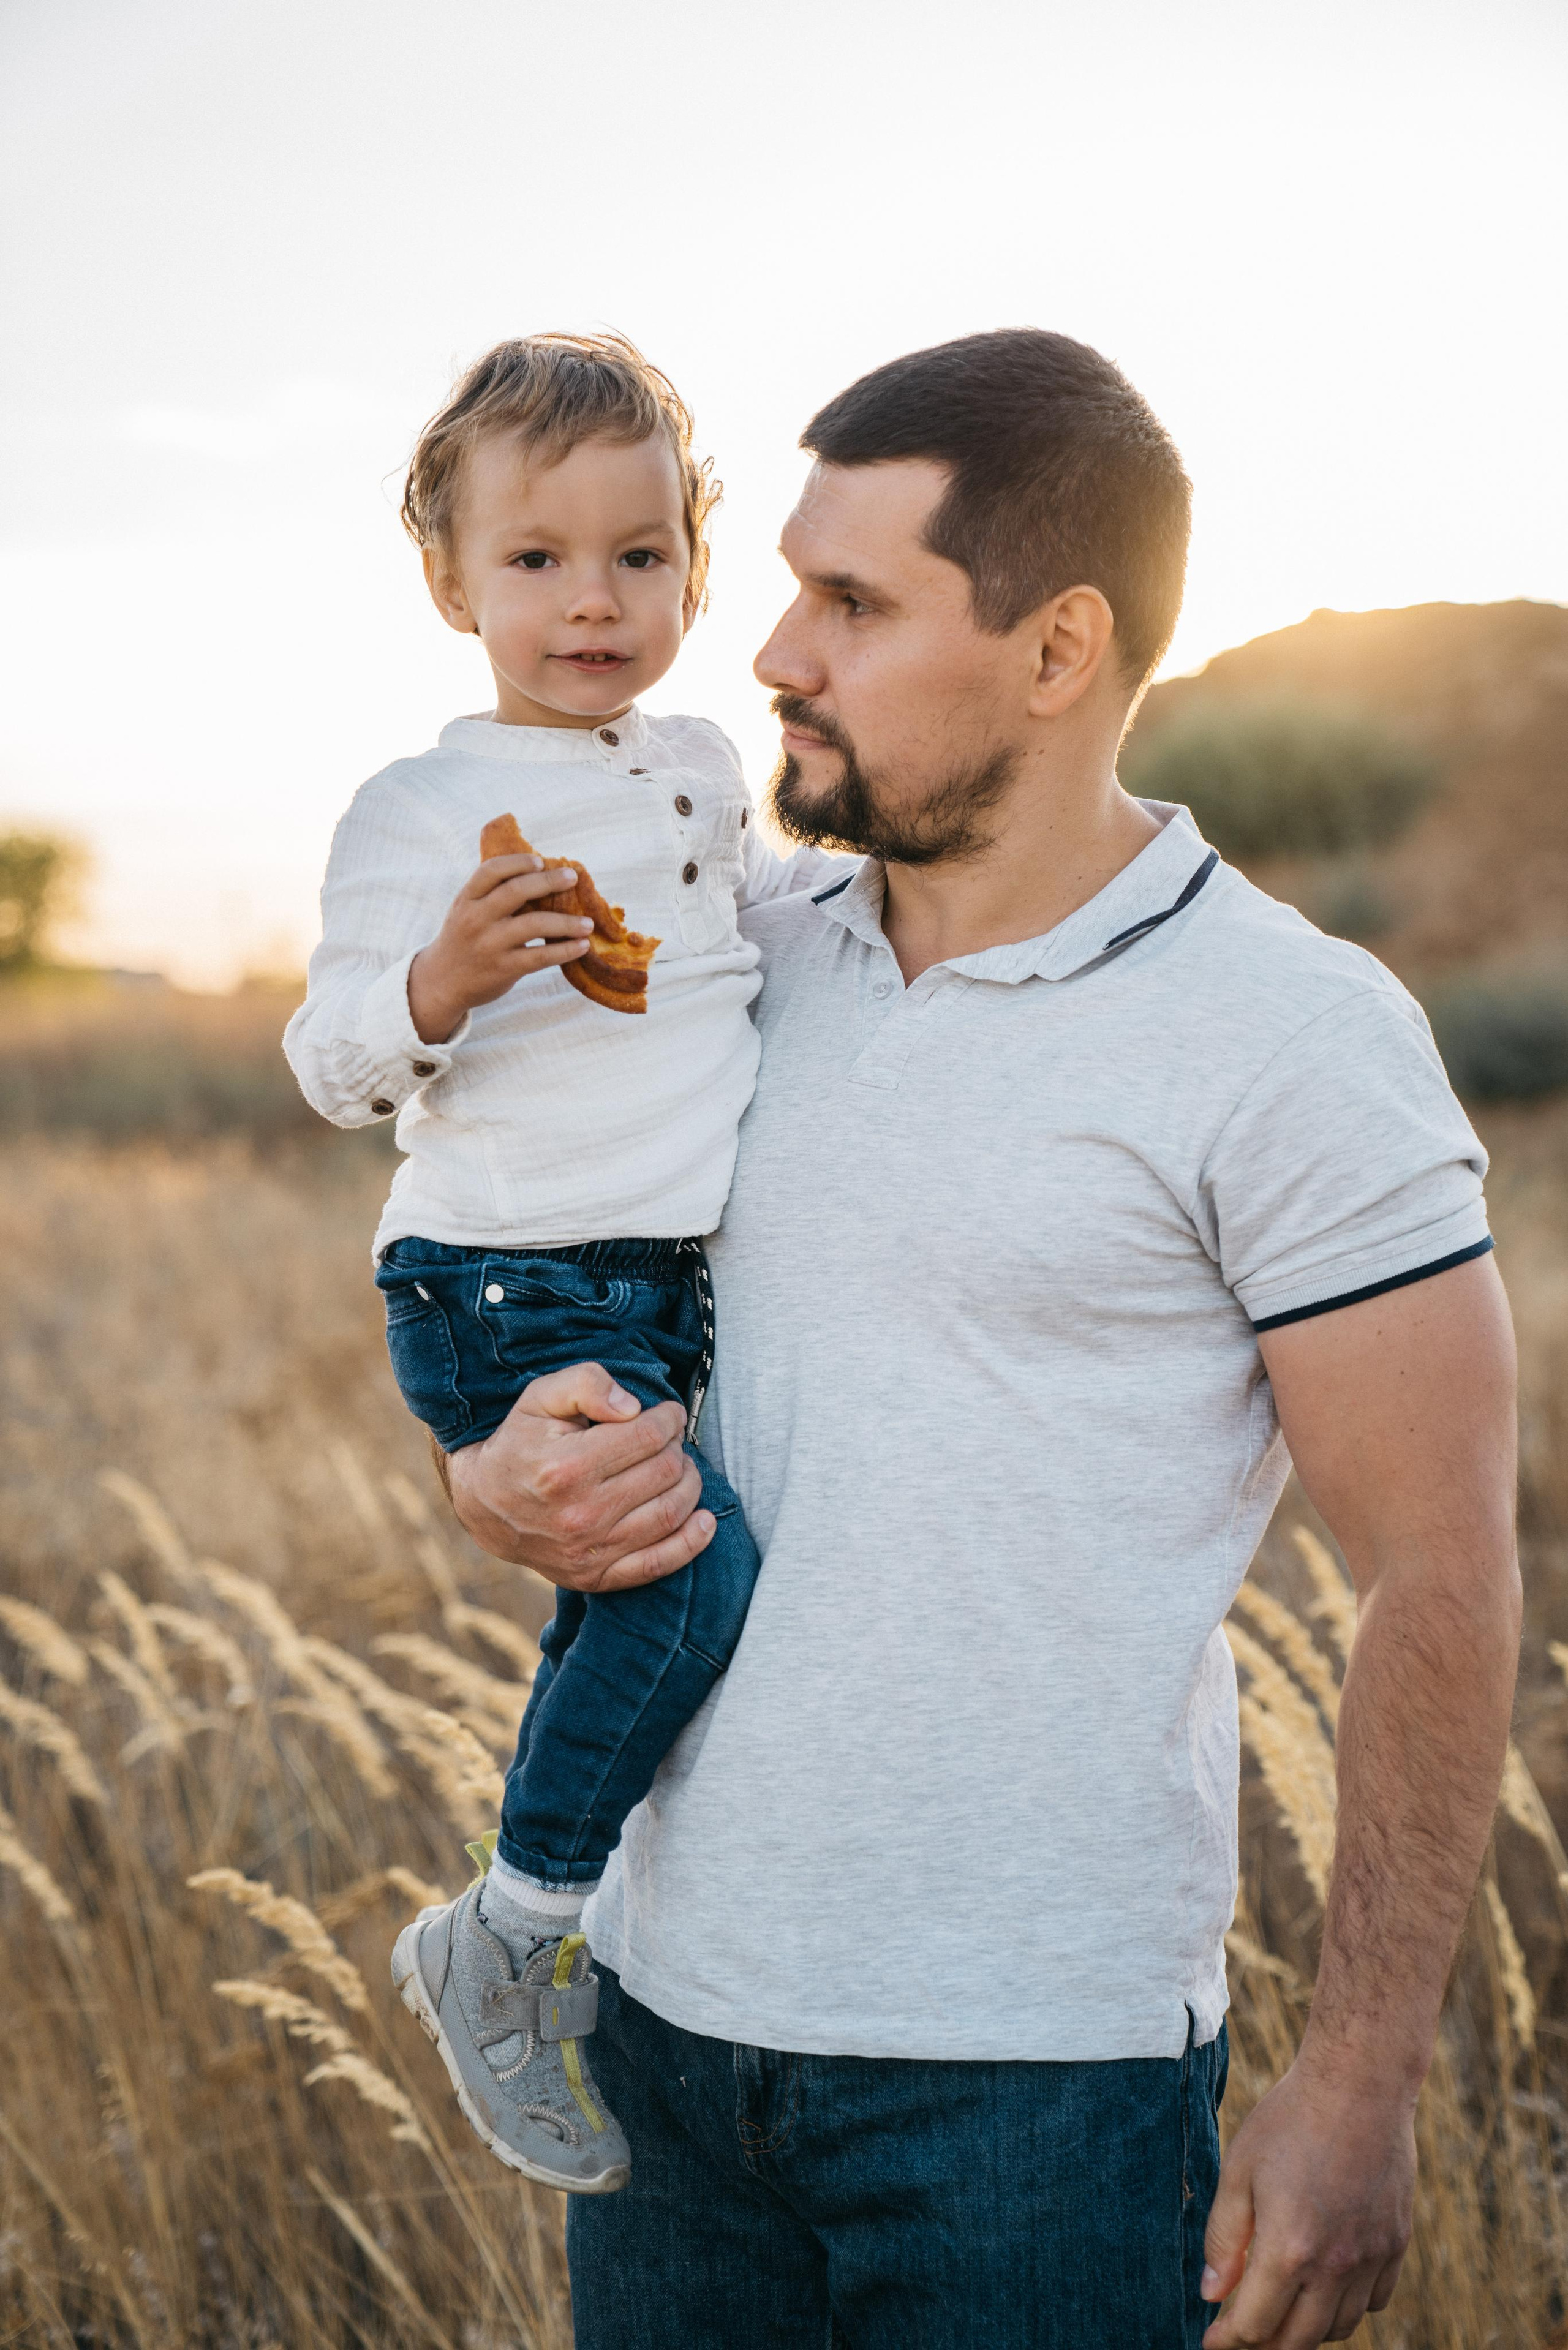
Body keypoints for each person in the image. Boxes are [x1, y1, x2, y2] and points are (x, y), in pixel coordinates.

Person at [441, 331, 1521, 2349]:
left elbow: (1439, 1574)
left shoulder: (1294, 1035)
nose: (770, 650)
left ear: (1060, 649)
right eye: (785, 583)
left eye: (854, 603)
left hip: (1033, 2081)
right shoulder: (721, 960)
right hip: (659, 2032)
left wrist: (1363, 2076)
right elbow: (508, 1274)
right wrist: (488, 1471)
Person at [282, 332, 843, 2193]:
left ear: (695, 559)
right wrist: (441, 980)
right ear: (451, 581)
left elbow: (752, 939)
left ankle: (593, 1924)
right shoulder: (422, 812)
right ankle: (511, 1935)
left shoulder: (696, 764)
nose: (591, 601)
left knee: (633, 1603)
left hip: (657, 1274)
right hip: (508, 1275)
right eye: (535, 560)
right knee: (686, 1584)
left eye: (639, 555)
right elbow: (330, 1061)